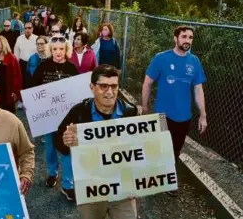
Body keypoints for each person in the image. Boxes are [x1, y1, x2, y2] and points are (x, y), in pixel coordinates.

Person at [56, 64, 138, 217]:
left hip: (122, 188)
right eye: (103, 86)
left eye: (114, 86)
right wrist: (67, 141)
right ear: (92, 87)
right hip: (91, 188)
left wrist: (140, 183)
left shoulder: (130, 112)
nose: (109, 92)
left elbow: (140, 149)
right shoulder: (79, 112)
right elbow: (58, 141)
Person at [142, 25, 207, 195]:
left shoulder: (194, 62)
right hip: (162, 114)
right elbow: (147, 83)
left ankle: (166, 176)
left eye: (190, 37)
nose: (187, 40)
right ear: (175, 38)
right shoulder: (161, 58)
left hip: (184, 116)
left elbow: (198, 89)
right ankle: (164, 180)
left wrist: (203, 115)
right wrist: (145, 107)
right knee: (161, 147)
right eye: (184, 36)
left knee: (176, 149)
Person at [32, 34, 79, 201]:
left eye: (61, 49)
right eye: (54, 49)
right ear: (50, 50)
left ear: (66, 50)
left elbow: (78, 93)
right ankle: (52, 173)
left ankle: (68, 184)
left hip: (67, 118)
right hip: (48, 117)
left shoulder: (72, 68)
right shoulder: (43, 67)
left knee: (67, 148)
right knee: (50, 147)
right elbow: (33, 90)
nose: (58, 52)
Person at [0, 36, 22, 114]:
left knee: (9, 112)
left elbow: (17, 76)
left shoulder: (11, 58)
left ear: (3, 45)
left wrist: (15, 91)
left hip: (8, 90)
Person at [14, 22, 37, 91]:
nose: (27, 30)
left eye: (29, 28)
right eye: (26, 28)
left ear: (32, 29)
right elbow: (16, 51)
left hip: (33, 64)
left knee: (33, 82)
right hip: (22, 64)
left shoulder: (36, 38)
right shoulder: (19, 38)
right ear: (23, 29)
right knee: (23, 82)